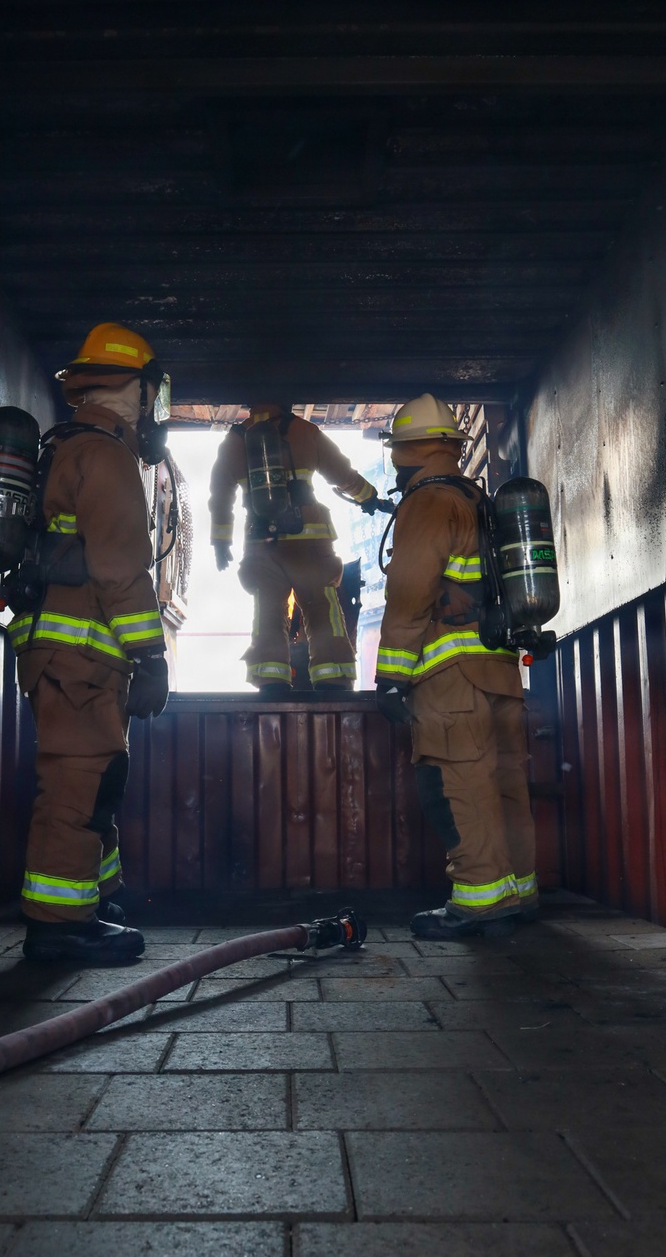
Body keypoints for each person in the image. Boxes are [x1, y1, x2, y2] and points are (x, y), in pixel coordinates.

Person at [9, 324, 170, 964]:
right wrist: (152, 657)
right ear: (132, 387)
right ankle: (58, 928)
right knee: (78, 785)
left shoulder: (66, 447)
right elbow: (120, 571)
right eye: (153, 390)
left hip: (62, 659)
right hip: (81, 663)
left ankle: (89, 905)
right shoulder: (105, 457)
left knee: (95, 778)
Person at [374, 394, 538, 938]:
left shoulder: (427, 504)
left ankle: (479, 902)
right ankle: (519, 890)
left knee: (459, 784)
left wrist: (391, 676)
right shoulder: (477, 498)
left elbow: (409, 593)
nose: (396, 464)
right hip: (499, 672)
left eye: (398, 452)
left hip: (451, 680)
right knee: (507, 783)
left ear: (409, 451)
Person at [209, 402, 381, 696]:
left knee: (268, 612)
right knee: (322, 609)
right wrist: (369, 497)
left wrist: (221, 542)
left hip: (262, 545)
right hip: (310, 542)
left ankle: (271, 682)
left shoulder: (235, 440)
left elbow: (220, 496)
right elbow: (343, 473)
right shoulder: (305, 431)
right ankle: (333, 680)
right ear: (287, 400)